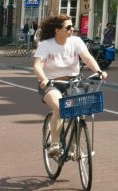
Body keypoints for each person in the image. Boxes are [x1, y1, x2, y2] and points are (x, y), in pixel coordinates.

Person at [32, 15, 107, 157]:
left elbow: (87, 57)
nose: (72, 29)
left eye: (73, 27)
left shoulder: (76, 41)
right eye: (68, 27)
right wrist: (43, 79)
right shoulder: (46, 44)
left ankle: (73, 148)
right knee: (60, 107)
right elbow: (37, 66)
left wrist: (98, 71)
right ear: (57, 30)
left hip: (73, 83)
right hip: (51, 83)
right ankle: (54, 144)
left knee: (79, 112)